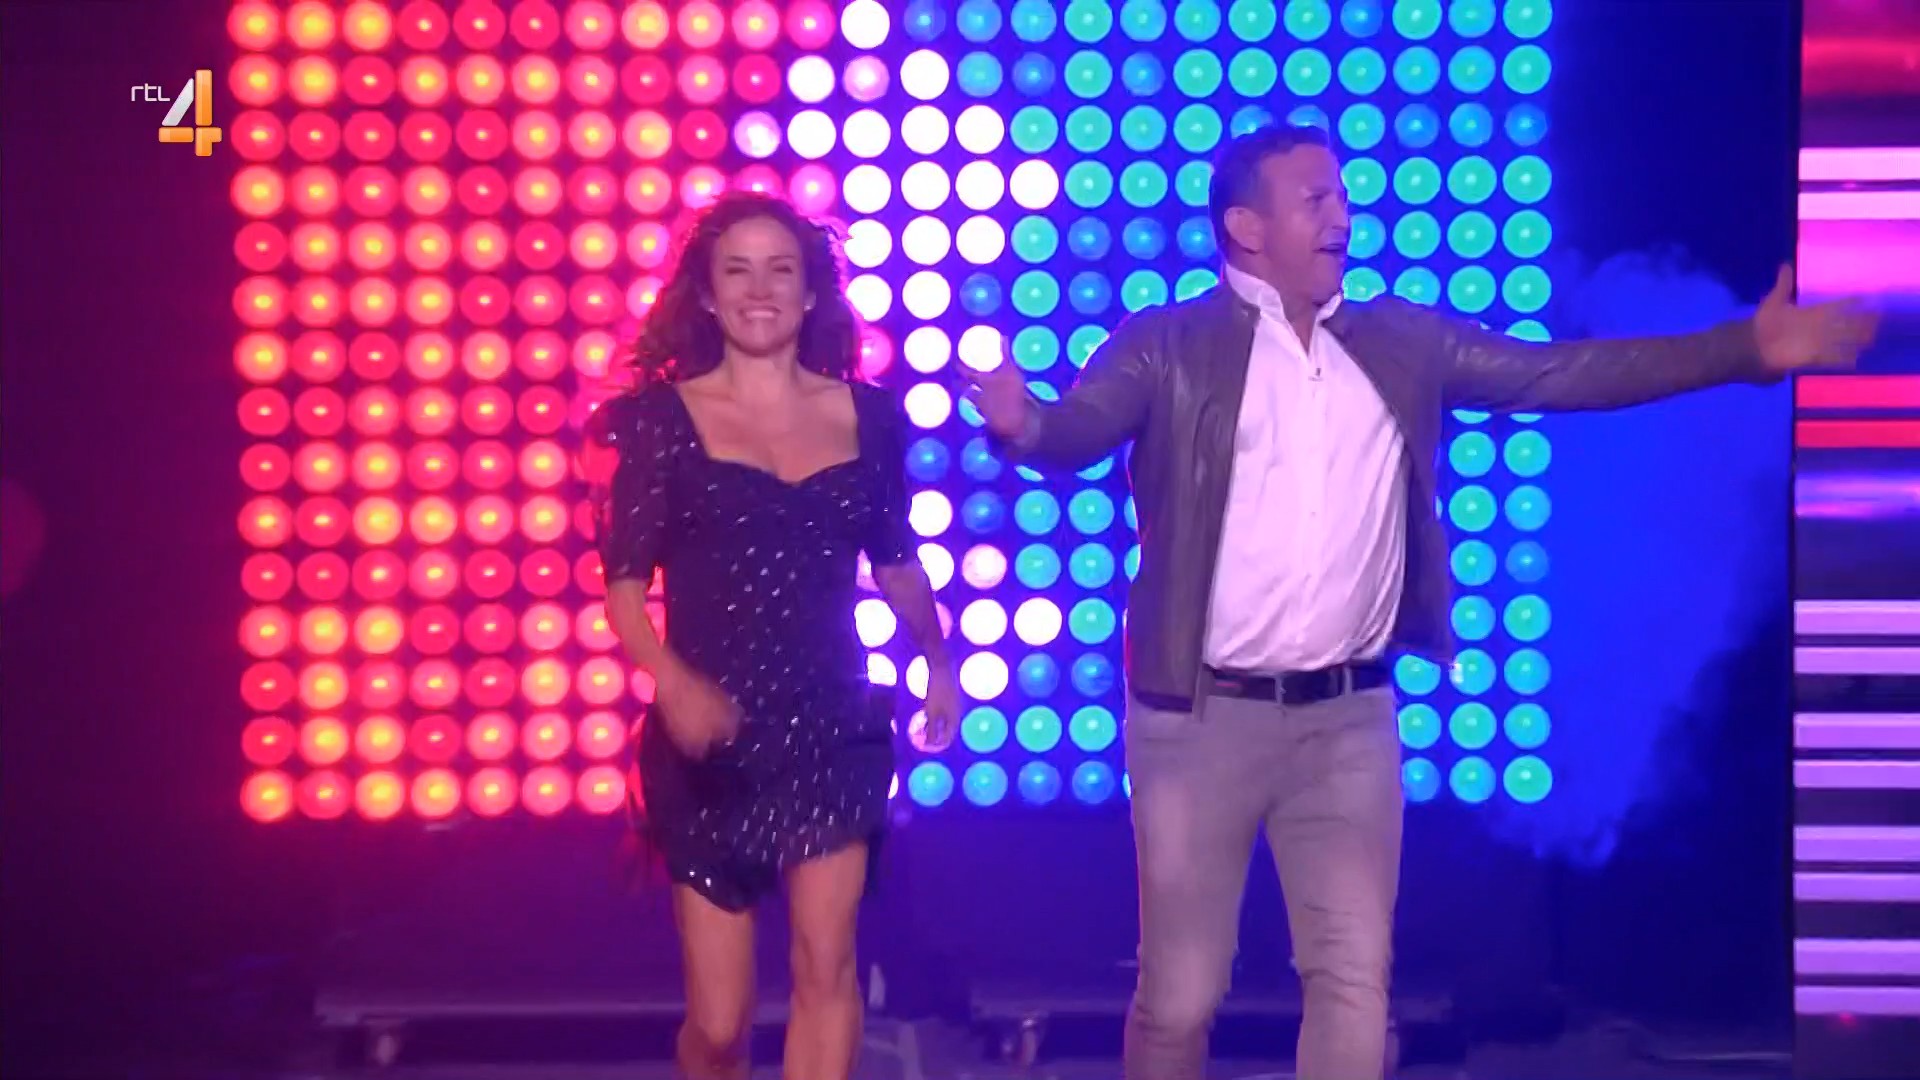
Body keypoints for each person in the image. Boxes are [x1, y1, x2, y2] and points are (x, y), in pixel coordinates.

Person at [964, 123, 1878, 1080]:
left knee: (1353, 983)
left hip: (1347, 722)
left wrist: (1742, 348)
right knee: (1180, 999)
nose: (1341, 214)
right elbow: (1078, 429)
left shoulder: (1400, 341)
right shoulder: (1167, 344)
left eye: (1341, 195)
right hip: (1198, 722)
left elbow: (1560, 375)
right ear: (1245, 227)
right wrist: (1025, 425)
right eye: (1314, 199)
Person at [588, 191, 961, 1080]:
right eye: (738, 270)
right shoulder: (659, 423)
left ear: (810, 292)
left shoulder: (869, 418)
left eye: (781, 269)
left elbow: (897, 562)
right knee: (719, 1023)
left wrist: (938, 661)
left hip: (832, 727)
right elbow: (625, 589)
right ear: (708, 295)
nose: (760, 290)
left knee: (825, 966)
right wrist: (672, 681)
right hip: (710, 742)